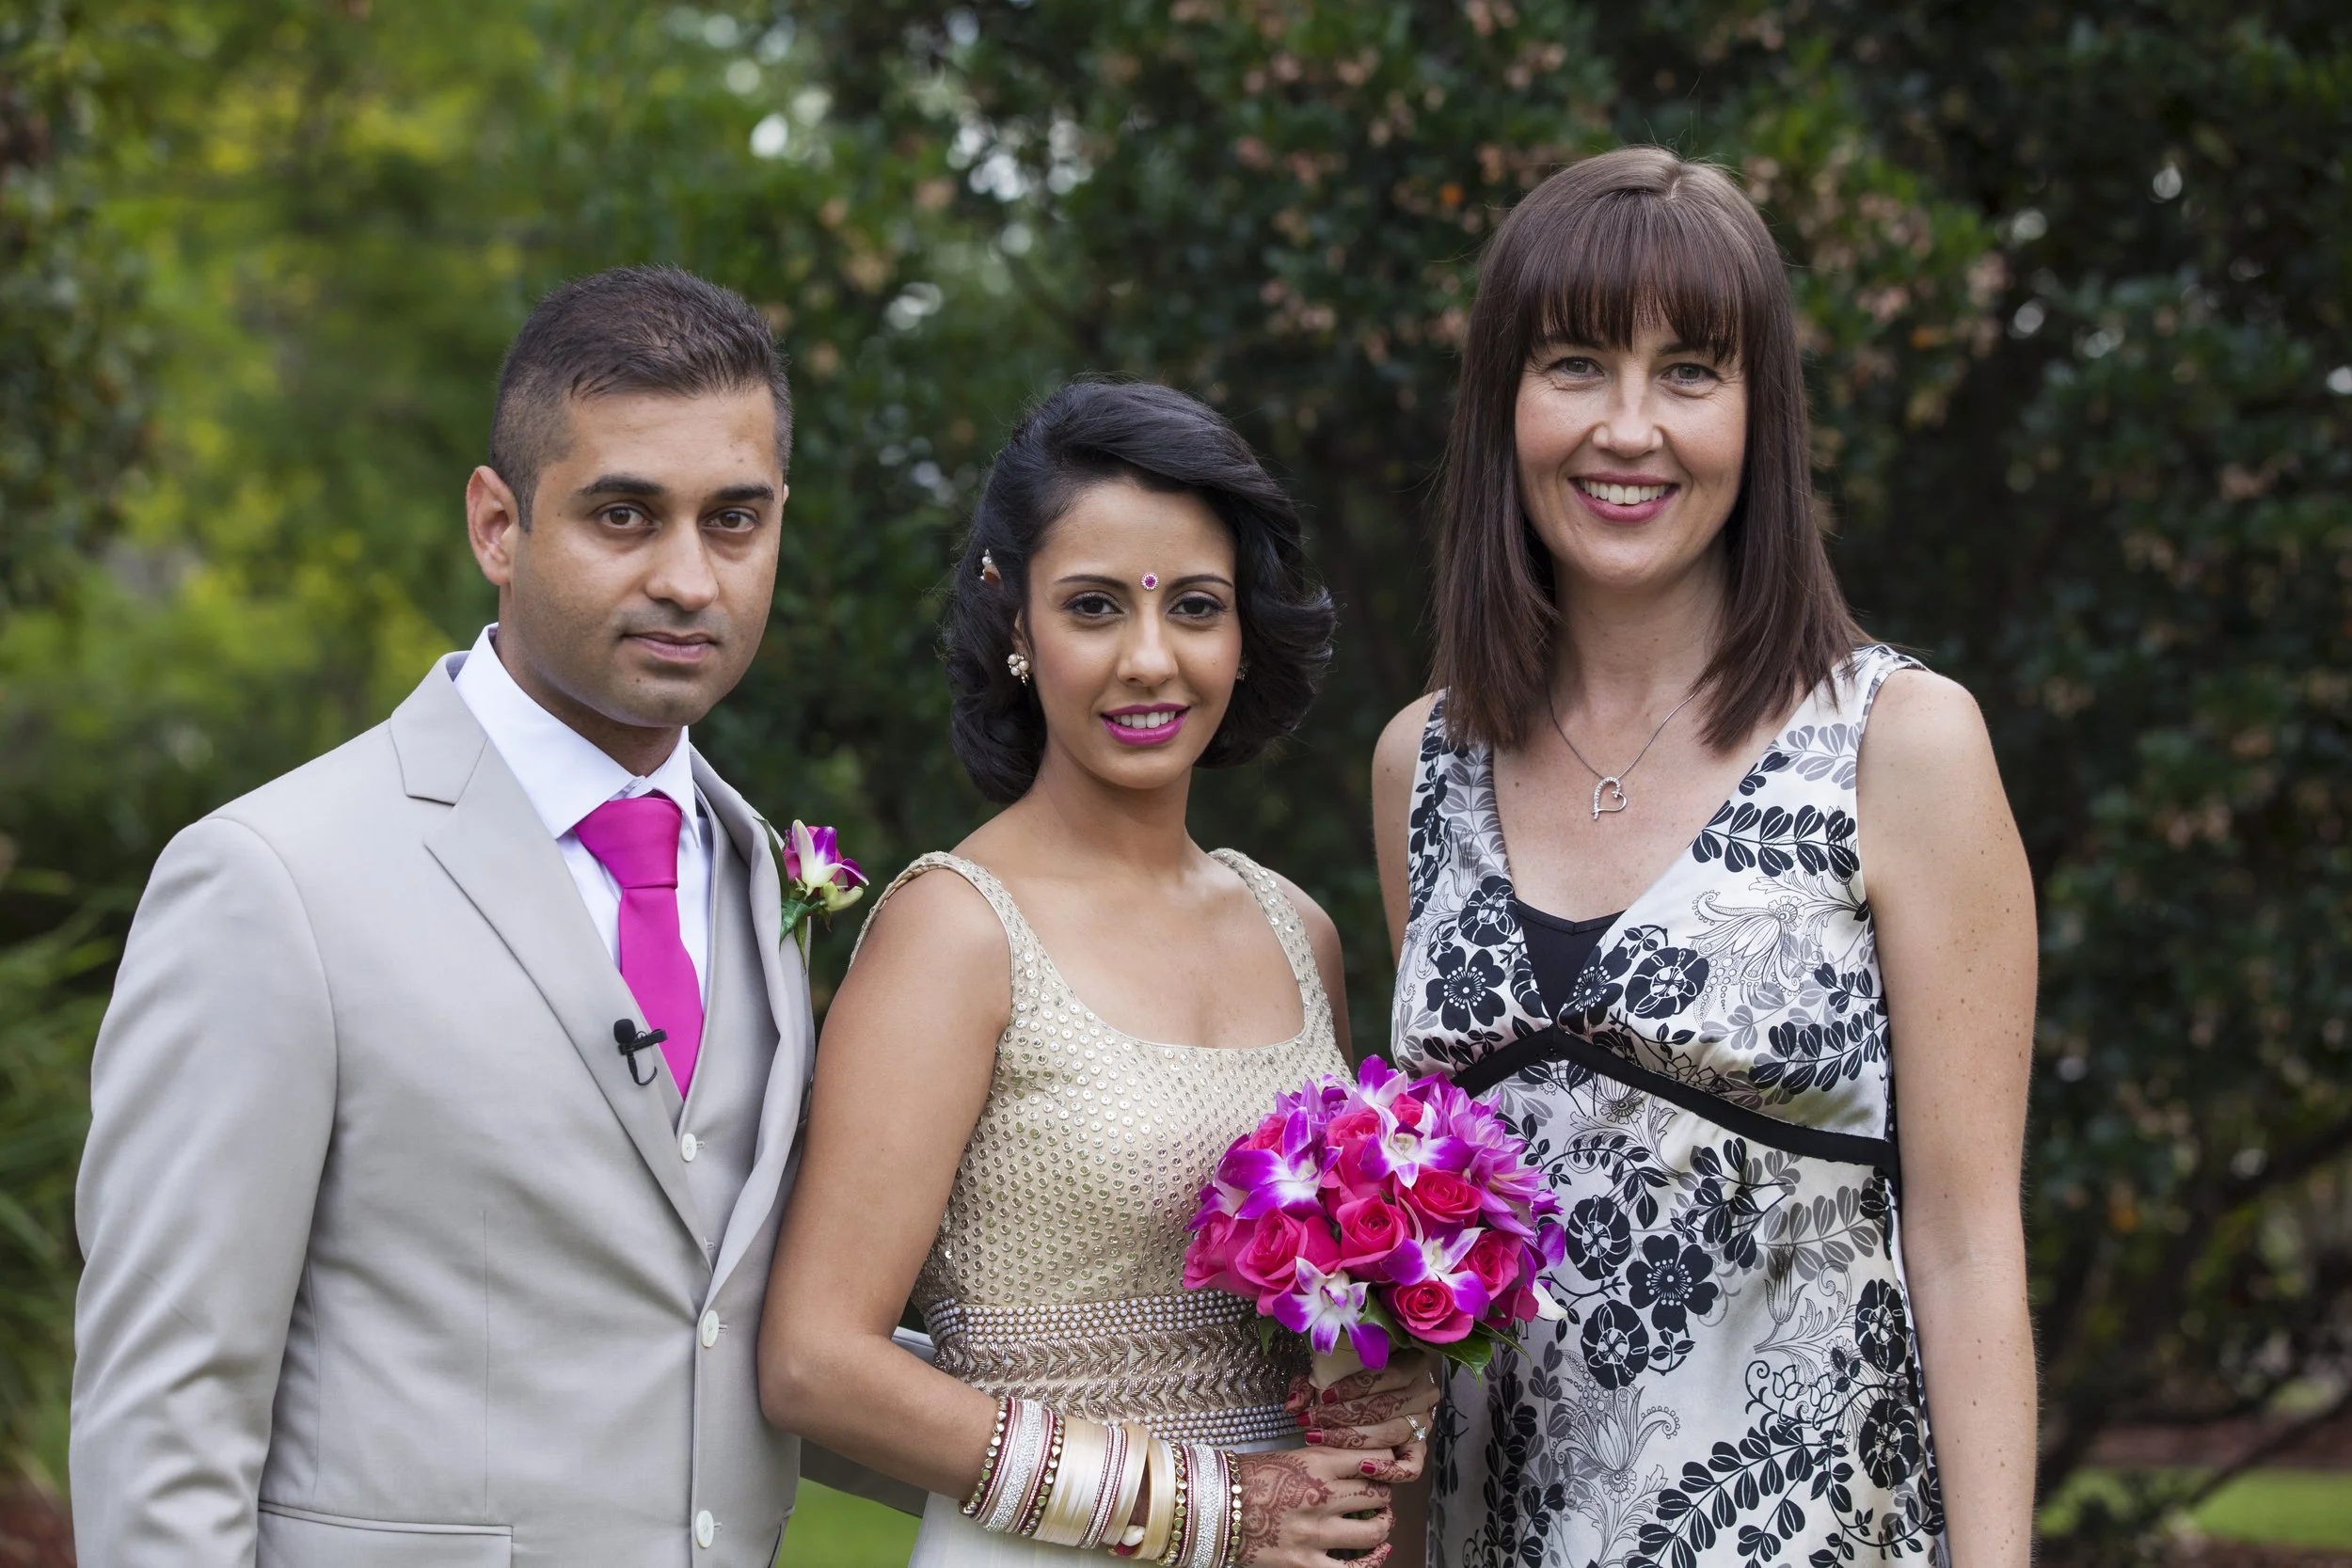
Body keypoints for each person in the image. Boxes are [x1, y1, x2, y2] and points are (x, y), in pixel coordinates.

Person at [72, 264, 910, 1566]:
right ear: (497, 524)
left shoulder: (760, 874)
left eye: (734, 520)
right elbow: (164, 1417)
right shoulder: (269, 880)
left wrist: (1141, 1462)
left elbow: (740, 1336)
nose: (689, 578)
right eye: (625, 515)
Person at [1371, 148, 2037, 1567]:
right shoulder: (1421, 764)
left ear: (1759, 414)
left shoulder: (1900, 743)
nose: (1630, 427)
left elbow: (1970, 1241)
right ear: (1502, 404)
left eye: (1688, 371)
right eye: (1575, 364)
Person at [759, 380, 1438, 1568]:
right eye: (1092, 606)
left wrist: (1395, 1376)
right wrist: (1209, 1509)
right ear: (1013, 620)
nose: (1149, 658)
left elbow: (1319, 1314)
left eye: (1195, 606)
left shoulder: (1295, 928)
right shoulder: (956, 931)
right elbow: (815, 1362)